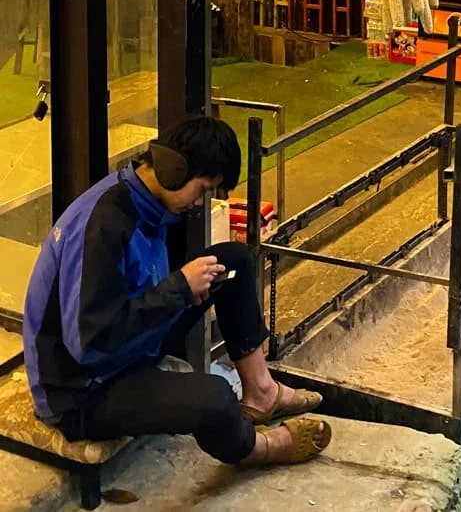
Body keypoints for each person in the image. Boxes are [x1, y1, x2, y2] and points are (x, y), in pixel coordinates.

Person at [23, 116, 330, 469]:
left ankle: (262, 392)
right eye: (202, 189)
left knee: (232, 262)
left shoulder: (145, 204)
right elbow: (90, 345)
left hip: (130, 349)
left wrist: (182, 291)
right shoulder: (104, 225)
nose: (201, 203)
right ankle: (257, 450)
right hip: (84, 390)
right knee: (215, 397)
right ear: (174, 169)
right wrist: (178, 289)